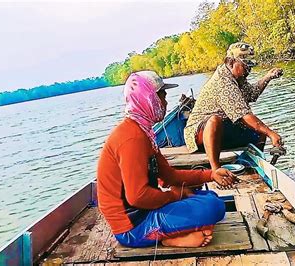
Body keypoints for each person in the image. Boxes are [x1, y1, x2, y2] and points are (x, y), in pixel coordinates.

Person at [97, 71, 237, 248]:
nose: (165, 102)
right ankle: (167, 238)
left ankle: (178, 232)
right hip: (133, 227)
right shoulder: (132, 138)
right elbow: (137, 197)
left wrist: (211, 175)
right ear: (148, 98)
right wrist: (175, 195)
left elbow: (169, 175)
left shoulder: (143, 131)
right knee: (213, 207)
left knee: (211, 197)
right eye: (162, 96)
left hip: (146, 212)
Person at [184, 42, 284, 170]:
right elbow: (243, 115)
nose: (248, 70)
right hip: (199, 133)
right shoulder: (223, 81)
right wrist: (271, 133)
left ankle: (255, 168)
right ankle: (215, 169)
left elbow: (252, 94)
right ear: (230, 62)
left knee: (259, 132)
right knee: (215, 121)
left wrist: (268, 77)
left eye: (250, 67)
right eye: (245, 66)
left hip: (223, 129)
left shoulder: (239, 78)